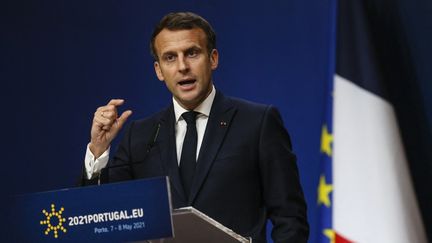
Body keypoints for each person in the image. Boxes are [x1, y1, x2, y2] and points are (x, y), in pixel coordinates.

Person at [83, 12, 309, 242]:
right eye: (170, 57)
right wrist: (98, 150)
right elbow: (103, 217)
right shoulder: (139, 135)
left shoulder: (258, 123)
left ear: (213, 59)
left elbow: (290, 218)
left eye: (192, 53)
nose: (182, 66)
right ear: (159, 71)